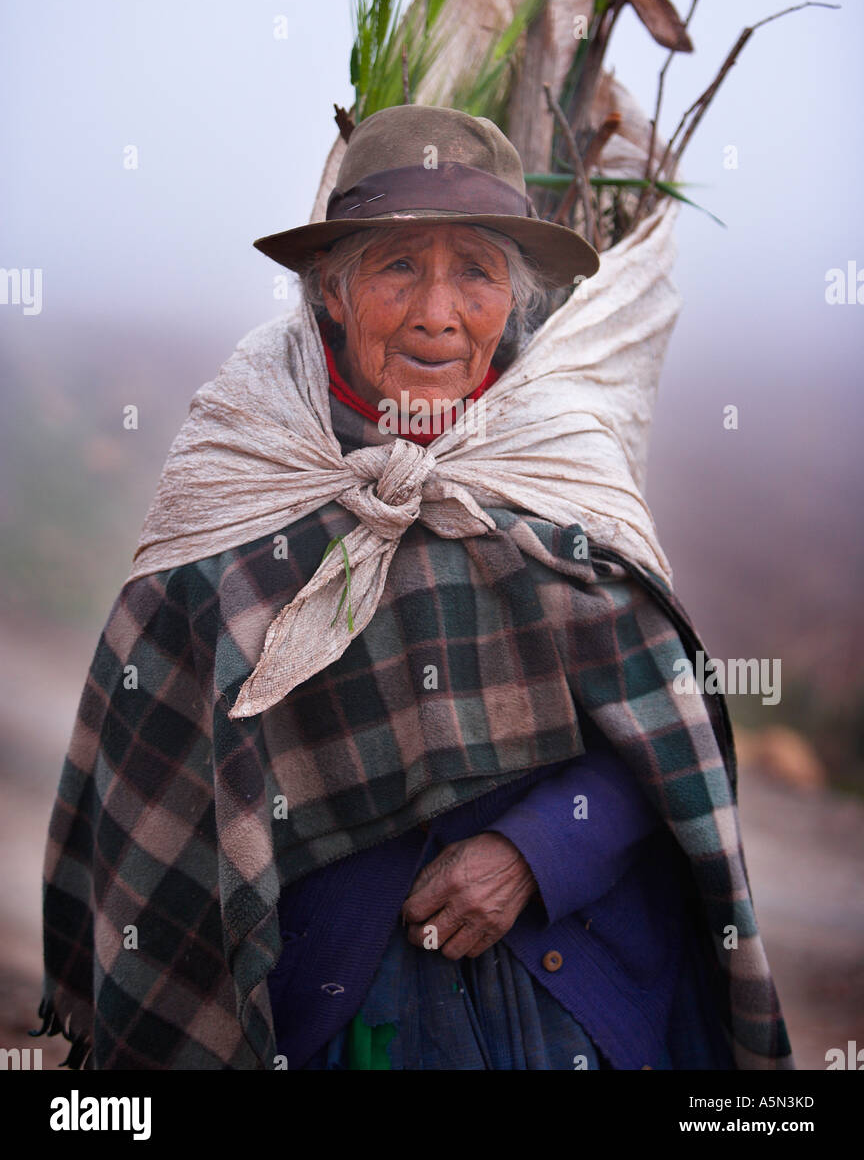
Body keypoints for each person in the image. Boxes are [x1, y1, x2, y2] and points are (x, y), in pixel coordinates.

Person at [35, 103, 794, 1070]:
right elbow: (162, 750)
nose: (439, 311)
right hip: (328, 1007)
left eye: (474, 271)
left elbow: (670, 736)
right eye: (399, 266)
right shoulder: (246, 462)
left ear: (510, 305)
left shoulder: (557, 460)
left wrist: (534, 853)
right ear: (332, 292)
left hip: (570, 996)